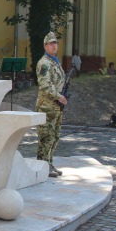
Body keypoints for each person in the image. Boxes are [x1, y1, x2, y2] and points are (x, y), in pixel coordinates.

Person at [35, 32, 67, 178]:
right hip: (46, 106)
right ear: (45, 46)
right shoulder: (44, 63)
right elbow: (45, 85)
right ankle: (42, 166)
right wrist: (59, 96)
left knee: (54, 136)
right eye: (51, 43)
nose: (54, 45)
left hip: (56, 106)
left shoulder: (55, 61)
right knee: (46, 137)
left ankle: (49, 163)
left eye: (56, 43)